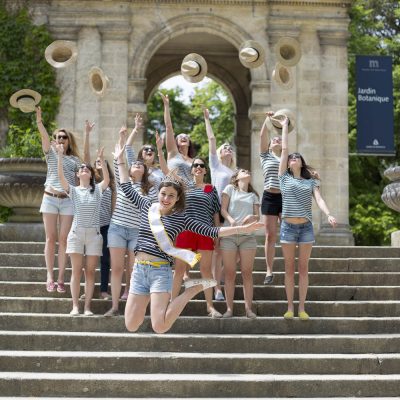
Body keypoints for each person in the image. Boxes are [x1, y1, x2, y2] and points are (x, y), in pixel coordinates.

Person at [115, 143, 263, 334]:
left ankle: (189, 291)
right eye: (163, 194)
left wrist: (243, 228)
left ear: (177, 199)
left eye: (171, 195)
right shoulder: (146, 206)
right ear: (158, 194)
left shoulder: (182, 218)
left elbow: (212, 231)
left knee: (159, 326)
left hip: (160, 272)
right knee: (131, 325)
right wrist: (119, 160)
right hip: (139, 270)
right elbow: (126, 187)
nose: (166, 198)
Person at [278, 116, 337, 320]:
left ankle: (301, 308)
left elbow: (319, 199)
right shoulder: (283, 177)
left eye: (297, 157)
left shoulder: (311, 182)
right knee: (288, 268)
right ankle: (289, 307)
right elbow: (284, 150)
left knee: (303, 268)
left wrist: (328, 214)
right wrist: (285, 126)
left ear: (301, 162)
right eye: (291, 157)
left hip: (306, 228)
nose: (292, 158)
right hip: (287, 226)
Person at [105, 125, 158, 317]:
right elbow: (120, 157)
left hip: (138, 231)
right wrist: (125, 135)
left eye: (139, 165)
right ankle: (114, 306)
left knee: (136, 269)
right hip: (117, 228)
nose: (136, 165)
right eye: (134, 164)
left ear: (144, 170)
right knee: (117, 267)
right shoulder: (122, 179)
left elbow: (151, 212)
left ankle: (133, 306)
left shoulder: (150, 189)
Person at [55, 144, 109, 315]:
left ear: (91, 174)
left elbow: (107, 180)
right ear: (78, 175)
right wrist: (61, 156)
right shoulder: (73, 190)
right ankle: (75, 306)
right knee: (76, 271)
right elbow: (60, 176)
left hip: (94, 235)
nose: (84, 169)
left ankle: (87, 307)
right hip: (76, 234)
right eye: (81, 168)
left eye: (87, 168)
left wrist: (101, 160)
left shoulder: (98, 190)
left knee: (91, 271)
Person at [36, 106, 84, 293]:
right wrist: (40, 122)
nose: (61, 139)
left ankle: (61, 278)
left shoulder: (75, 160)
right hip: (49, 198)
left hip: (67, 201)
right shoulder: (51, 153)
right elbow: (44, 138)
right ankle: (49, 276)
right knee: (50, 238)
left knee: (64, 239)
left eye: (64, 137)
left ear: (69, 140)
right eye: (58, 137)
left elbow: (82, 181)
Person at [172, 158, 222, 318]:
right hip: (185, 231)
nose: (199, 167)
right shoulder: (183, 187)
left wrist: (216, 234)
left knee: (206, 270)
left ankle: (210, 307)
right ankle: (172, 305)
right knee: (179, 269)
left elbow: (215, 212)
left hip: (205, 231)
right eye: (195, 165)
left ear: (205, 171)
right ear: (191, 169)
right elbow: (175, 208)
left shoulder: (210, 189)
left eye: (202, 165)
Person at [204, 107, 236, 301]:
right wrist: (208, 119)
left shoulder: (235, 172)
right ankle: (217, 288)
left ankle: (219, 280)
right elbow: (212, 140)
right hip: (215, 210)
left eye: (229, 148)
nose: (227, 149)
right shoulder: (216, 165)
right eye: (224, 148)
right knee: (216, 252)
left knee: (231, 253)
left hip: (231, 212)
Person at [220, 168, 260, 319]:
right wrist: (231, 221)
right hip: (229, 235)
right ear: (236, 177)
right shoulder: (230, 189)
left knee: (247, 273)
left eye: (248, 171)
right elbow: (223, 210)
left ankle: (248, 309)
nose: (247, 171)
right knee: (230, 273)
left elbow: (257, 218)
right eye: (243, 171)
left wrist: (251, 217)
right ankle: (229, 309)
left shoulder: (253, 195)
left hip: (247, 237)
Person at [259, 111, 282, 285]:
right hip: (269, 197)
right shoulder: (265, 156)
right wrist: (268, 119)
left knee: (289, 232)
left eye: (279, 139)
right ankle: (269, 270)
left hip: (285, 197)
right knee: (270, 235)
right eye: (274, 139)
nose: (276, 139)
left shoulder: (287, 158)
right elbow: (262, 135)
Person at [125, 113, 168, 189]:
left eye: (152, 149)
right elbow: (128, 147)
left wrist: (160, 149)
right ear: (141, 154)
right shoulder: (136, 166)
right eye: (146, 149)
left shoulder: (160, 171)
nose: (149, 150)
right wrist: (136, 129)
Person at [161, 93, 196, 183]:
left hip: (189, 193)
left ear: (189, 143)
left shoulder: (194, 161)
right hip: (173, 190)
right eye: (180, 136)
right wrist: (166, 105)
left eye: (186, 136)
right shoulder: (173, 153)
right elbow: (168, 127)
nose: (183, 137)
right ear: (175, 142)